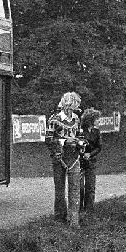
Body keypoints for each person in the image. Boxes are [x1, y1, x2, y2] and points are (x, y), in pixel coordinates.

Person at [45, 91, 84, 227]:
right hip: (59, 157)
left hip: (74, 158)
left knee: (75, 188)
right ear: (69, 104)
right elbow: (49, 139)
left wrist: (80, 142)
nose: (78, 106)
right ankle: (60, 219)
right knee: (60, 189)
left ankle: (74, 221)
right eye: (76, 103)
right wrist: (64, 141)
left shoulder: (77, 119)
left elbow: (80, 135)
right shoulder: (54, 119)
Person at [79, 108, 102, 212]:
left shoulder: (96, 132)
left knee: (90, 187)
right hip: (80, 162)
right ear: (91, 120)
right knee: (79, 187)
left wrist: (90, 154)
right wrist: (83, 154)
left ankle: (89, 211)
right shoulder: (80, 131)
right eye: (97, 119)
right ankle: (79, 210)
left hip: (91, 162)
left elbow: (99, 147)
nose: (98, 121)